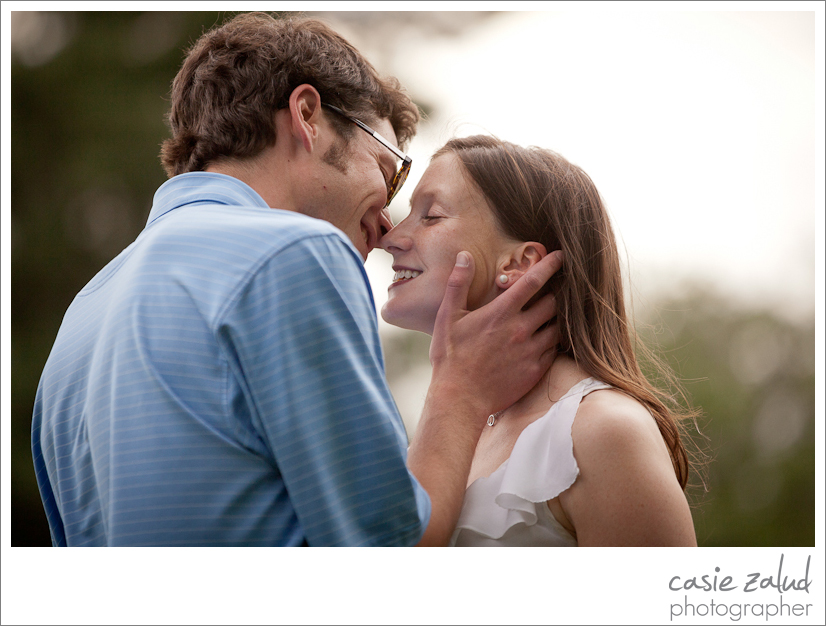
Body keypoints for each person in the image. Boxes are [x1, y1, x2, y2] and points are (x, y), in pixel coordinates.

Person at [30, 14, 562, 546]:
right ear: (307, 115)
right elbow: (391, 548)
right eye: (389, 170)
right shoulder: (296, 252)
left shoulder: (80, 320)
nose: (386, 225)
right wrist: (460, 393)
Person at [380, 135, 699, 546]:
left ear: (520, 262)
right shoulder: (454, 428)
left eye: (431, 216)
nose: (390, 238)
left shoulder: (604, 430)